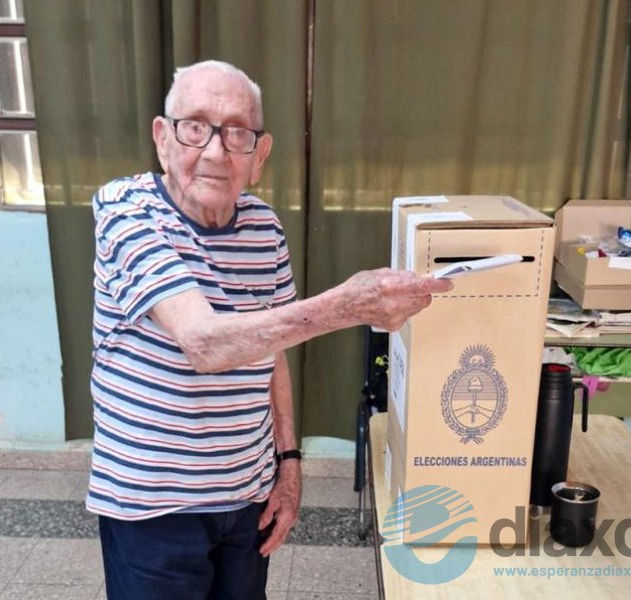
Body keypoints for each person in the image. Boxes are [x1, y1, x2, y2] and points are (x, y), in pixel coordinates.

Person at [87, 59, 452, 600]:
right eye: (195, 127)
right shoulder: (126, 211)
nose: (215, 152)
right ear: (162, 138)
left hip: (246, 495)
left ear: (259, 156)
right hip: (153, 506)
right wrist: (348, 305)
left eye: (237, 133)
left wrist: (288, 464)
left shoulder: (263, 227)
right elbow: (204, 343)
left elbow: (273, 349)